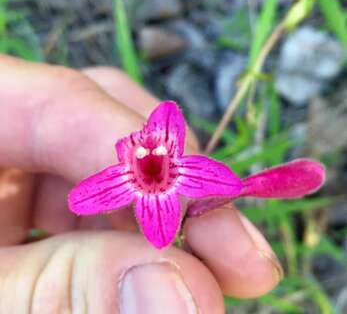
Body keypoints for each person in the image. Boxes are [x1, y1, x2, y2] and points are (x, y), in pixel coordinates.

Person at [0, 54, 282, 313]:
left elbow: (173, 120)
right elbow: (83, 200)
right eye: (133, 151)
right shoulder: (131, 179)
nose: (150, 159)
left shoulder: (174, 171)